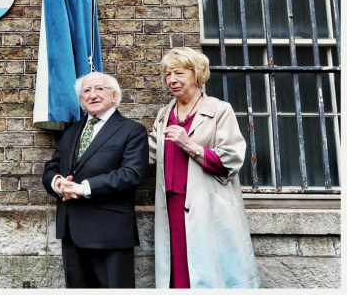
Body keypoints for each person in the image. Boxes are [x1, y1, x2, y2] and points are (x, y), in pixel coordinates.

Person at [149, 47, 261, 288]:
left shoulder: (220, 109)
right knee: (177, 270)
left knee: (209, 271)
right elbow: (148, 152)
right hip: (172, 204)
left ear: (197, 74)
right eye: (168, 74)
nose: (172, 80)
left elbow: (232, 158)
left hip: (208, 204)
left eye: (179, 73)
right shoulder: (164, 115)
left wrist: (190, 146)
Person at [42, 71, 149, 288]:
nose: (92, 95)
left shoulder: (132, 131)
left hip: (111, 233)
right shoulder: (72, 131)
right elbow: (52, 166)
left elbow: (132, 174)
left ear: (114, 95)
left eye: (99, 89)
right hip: (72, 232)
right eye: (86, 91)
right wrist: (58, 183)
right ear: (81, 99)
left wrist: (84, 188)